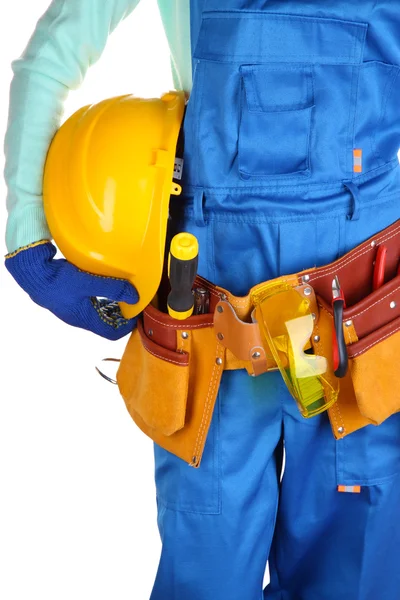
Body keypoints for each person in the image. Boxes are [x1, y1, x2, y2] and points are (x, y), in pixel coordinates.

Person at [4, 1, 400, 598]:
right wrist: (27, 241)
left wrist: (27, 237)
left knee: (353, 570)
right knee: (209, 577)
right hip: (214, 321)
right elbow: (54, 54)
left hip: (361, 316)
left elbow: (48, 58)